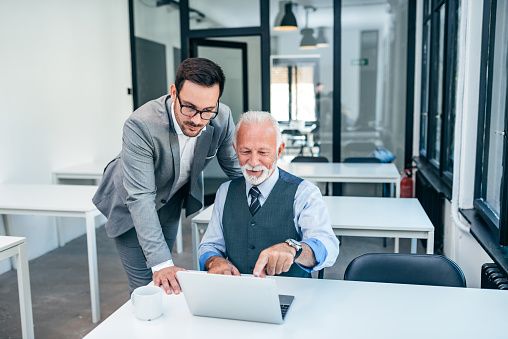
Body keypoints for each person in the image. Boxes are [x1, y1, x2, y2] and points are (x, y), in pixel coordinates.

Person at [93, 58, 242, 294]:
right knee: (147, 286)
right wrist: (162, 265)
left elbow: (236, 170)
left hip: (171, 199)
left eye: (207, 111)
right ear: (174, 92)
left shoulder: (221, 117)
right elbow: (140, 197)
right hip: (128, 204)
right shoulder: (141, 125)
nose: (197, 119)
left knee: (164, 284)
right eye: (190, 107)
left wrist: (276, 190)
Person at [198, 111, 339, 278]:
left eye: (263, 153)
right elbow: (209, 245)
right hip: (238, 291)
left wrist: (294, 249)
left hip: (292, 292)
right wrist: (215, 261)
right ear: (235, 149)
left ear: (279, 151)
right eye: (245, 151)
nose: (253, 162)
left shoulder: (304, 193)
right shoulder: (225, 191)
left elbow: (329, 246)